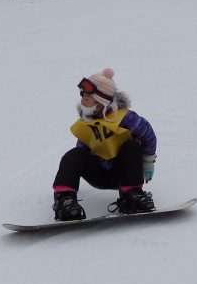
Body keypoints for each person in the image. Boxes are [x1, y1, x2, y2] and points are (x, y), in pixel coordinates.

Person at [51, 68, 157, 221]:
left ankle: (132, 195)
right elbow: (83, 149)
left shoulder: (126, 118)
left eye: (88, 97)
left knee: (131, 146)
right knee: (74, 155)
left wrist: (148, 162)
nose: (83, 100)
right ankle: (65, 201)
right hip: (99, 173)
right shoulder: (87, 121)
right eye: (82, 95)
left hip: (124, 173)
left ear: (101, 102)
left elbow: (148, 135)